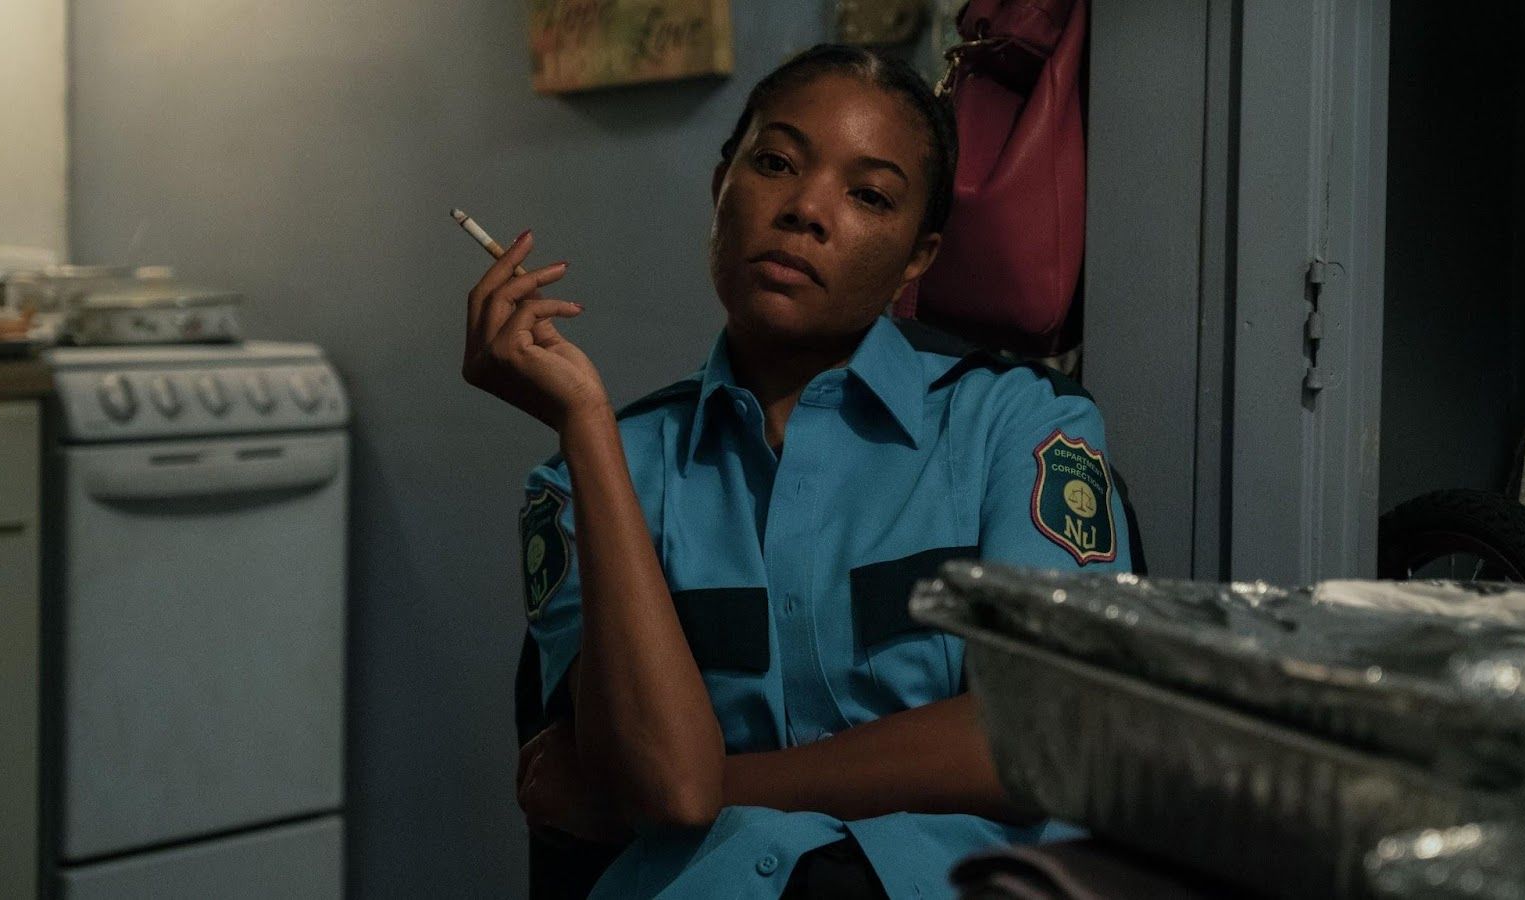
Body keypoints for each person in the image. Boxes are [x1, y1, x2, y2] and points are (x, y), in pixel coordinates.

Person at [463, 44, 1134, 900]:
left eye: (870, 195)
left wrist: (715, 789)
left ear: (919, 256)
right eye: (776, 163)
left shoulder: (1021, 424)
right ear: (721, 189)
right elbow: (662, 777)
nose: (806, 211)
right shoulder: (581, 479)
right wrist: (586, 425)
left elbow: (1039, 735)